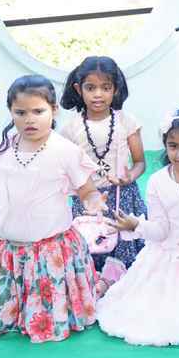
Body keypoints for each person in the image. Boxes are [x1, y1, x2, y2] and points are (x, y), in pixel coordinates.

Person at [0, 75, 105, 343]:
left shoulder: (65, 151)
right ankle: (12, 316)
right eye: (20, 112)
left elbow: (87, 190)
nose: (29, 119)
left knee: (49, 307)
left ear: (54, 110)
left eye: (38, 111)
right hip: (8, 248)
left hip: (49, 249)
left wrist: (93, 203)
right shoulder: (0, 149)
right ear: (11, 112)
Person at [97, 109, 179, 346]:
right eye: (173, 146)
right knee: (143, 313)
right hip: (163, 256)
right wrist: (136, 225)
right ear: (165, 146)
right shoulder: (157, 181)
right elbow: (160, 231)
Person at [59, 55, 147, 292]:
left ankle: (122, 289)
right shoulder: (70, 128)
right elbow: (66, 168)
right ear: (78, 89)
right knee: (90, 244)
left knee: (124, 246)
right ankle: (93, 288)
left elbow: (140, 162)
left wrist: (130, 176)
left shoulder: (127, 121)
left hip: (123, 196)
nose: (98, 94)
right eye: (91, 88)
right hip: (86, 199)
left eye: (105, 88)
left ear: (115, 89)